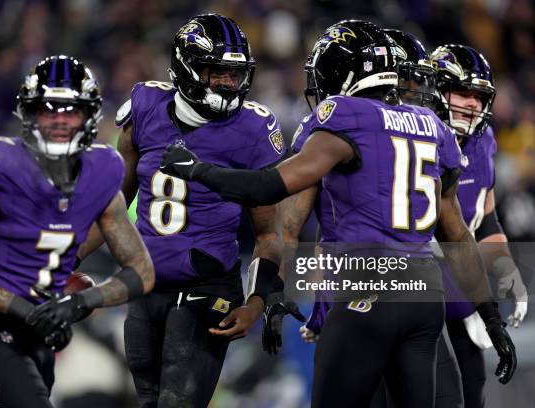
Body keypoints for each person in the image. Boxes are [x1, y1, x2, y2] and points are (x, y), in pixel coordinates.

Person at [161, 20, 516, 407]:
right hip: (424, 297)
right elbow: (459, 236)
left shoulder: (345, 116)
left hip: (366, 293)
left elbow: (270, 190)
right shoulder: (433, 124)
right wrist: (491, 316)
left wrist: (198, 170)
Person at [78, 14, 286, 407]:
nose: (228, 82)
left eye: (234, 73)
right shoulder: (145, 106)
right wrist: (67, 260)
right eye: (216, 72)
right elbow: (112, 207)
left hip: (207, 286)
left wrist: (256, 302)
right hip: (145, 284)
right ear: (186, 69)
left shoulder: (254, 129)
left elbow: (268, 235)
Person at [0, 55, 155, 408]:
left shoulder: (102, 171)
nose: (60, 121)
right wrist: (23, 309)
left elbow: (141, 272)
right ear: (28, 113)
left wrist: (78, 303)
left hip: (44, 335)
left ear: (90, 115)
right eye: (48, 109)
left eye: (71, 110)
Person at [431, 43, 529, 408]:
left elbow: (484, 218)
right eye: (462, 92)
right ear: (437, 89)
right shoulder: (413, 137)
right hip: (413, 286)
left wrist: (506, 268)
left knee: (471, 394)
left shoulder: (483, 140)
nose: (472, 104)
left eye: (479, 96)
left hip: (463, 282)